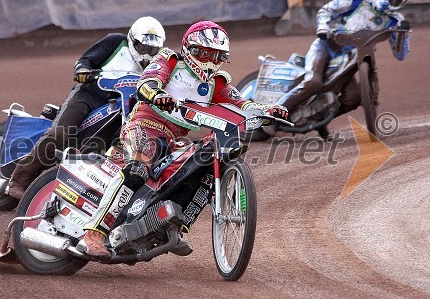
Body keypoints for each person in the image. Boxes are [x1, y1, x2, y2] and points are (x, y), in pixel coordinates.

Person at [76, 20, 288, 260]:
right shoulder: (170, 60)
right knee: (137, 169)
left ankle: (170, 224)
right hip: (144, 126)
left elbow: (242, 103)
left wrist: (268, 111)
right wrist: (156, 94)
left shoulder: (217, 82)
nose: (210, 62)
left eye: (217, 57)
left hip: (174, 139)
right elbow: (147, 82)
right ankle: (93, 234)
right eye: (205, 53)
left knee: (203, 163)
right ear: (190, 49)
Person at [8, 16, 166, 199]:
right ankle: (19, 179)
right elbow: (85, 60)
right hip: (89, 95)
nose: (147, 53)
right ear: (132, 40)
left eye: (153, 49)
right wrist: (83, 70)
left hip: (123, 107)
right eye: (143, 47)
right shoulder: (115, 42)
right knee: (60, 133)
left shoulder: (158, 64)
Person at [276, 0, 410, 138]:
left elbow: (400, 55)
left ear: (400, 5)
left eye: (394, 0)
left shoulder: (396, 21)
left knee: (354, 98)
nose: (388, 2)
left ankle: (319, 120)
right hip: (327, 46)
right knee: (313, 82)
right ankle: (273, 114)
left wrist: (402, 34)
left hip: (351, 59)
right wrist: (323, 28)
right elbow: (327, 9)